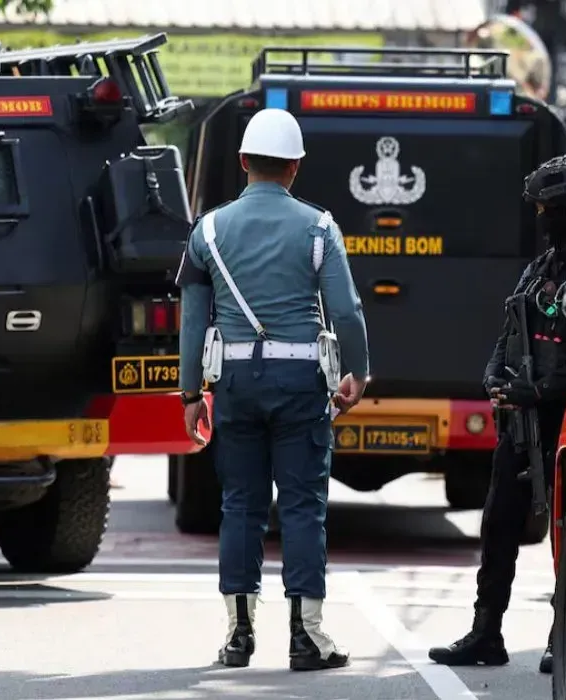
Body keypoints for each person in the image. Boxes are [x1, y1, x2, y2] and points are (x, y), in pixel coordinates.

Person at [175, 108, 370, 672]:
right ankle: (307, 637)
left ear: (242, 161)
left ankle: (238, 636)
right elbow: (346, 311)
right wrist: (358, 370)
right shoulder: (319, 228)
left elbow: (192, 320)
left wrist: (190, 394)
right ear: (295, 167)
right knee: (304, 505)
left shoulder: (208, 230)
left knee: (240, 504)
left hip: (235, 382)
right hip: (301, 383)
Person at [427, 155, 566, 673]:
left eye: (547, 209)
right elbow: (508, 331)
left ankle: (563, 635)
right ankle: (485, 632)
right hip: (520, 424)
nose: (540, 218)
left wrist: (539, 391)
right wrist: (494, 376)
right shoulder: (538, 270)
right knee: (498, 527)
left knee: (565, 533)